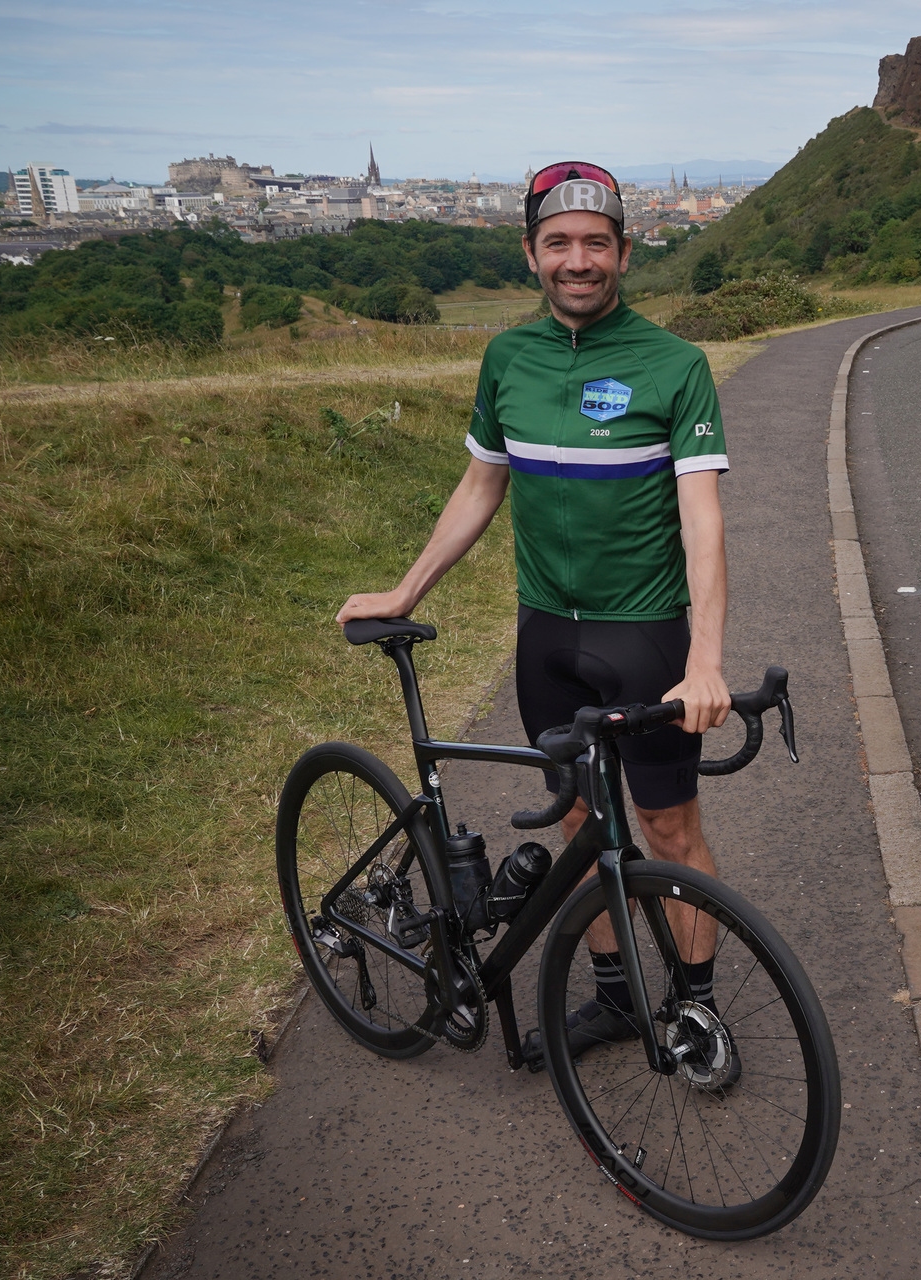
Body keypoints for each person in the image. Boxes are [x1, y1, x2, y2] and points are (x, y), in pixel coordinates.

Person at [337, 161, 732, 1063]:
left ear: (625, 252)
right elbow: (482, 483)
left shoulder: (675, 365)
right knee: (574, 818)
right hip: (545, 635)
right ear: (531, 254)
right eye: (559, 243)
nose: (578, 260)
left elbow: (704, 522)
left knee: (670, 828)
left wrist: (704, 659)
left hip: (645, 637)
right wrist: (406, 590)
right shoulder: (508, 357)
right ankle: (618, 997)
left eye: (596, 243)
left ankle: (697, 1004)